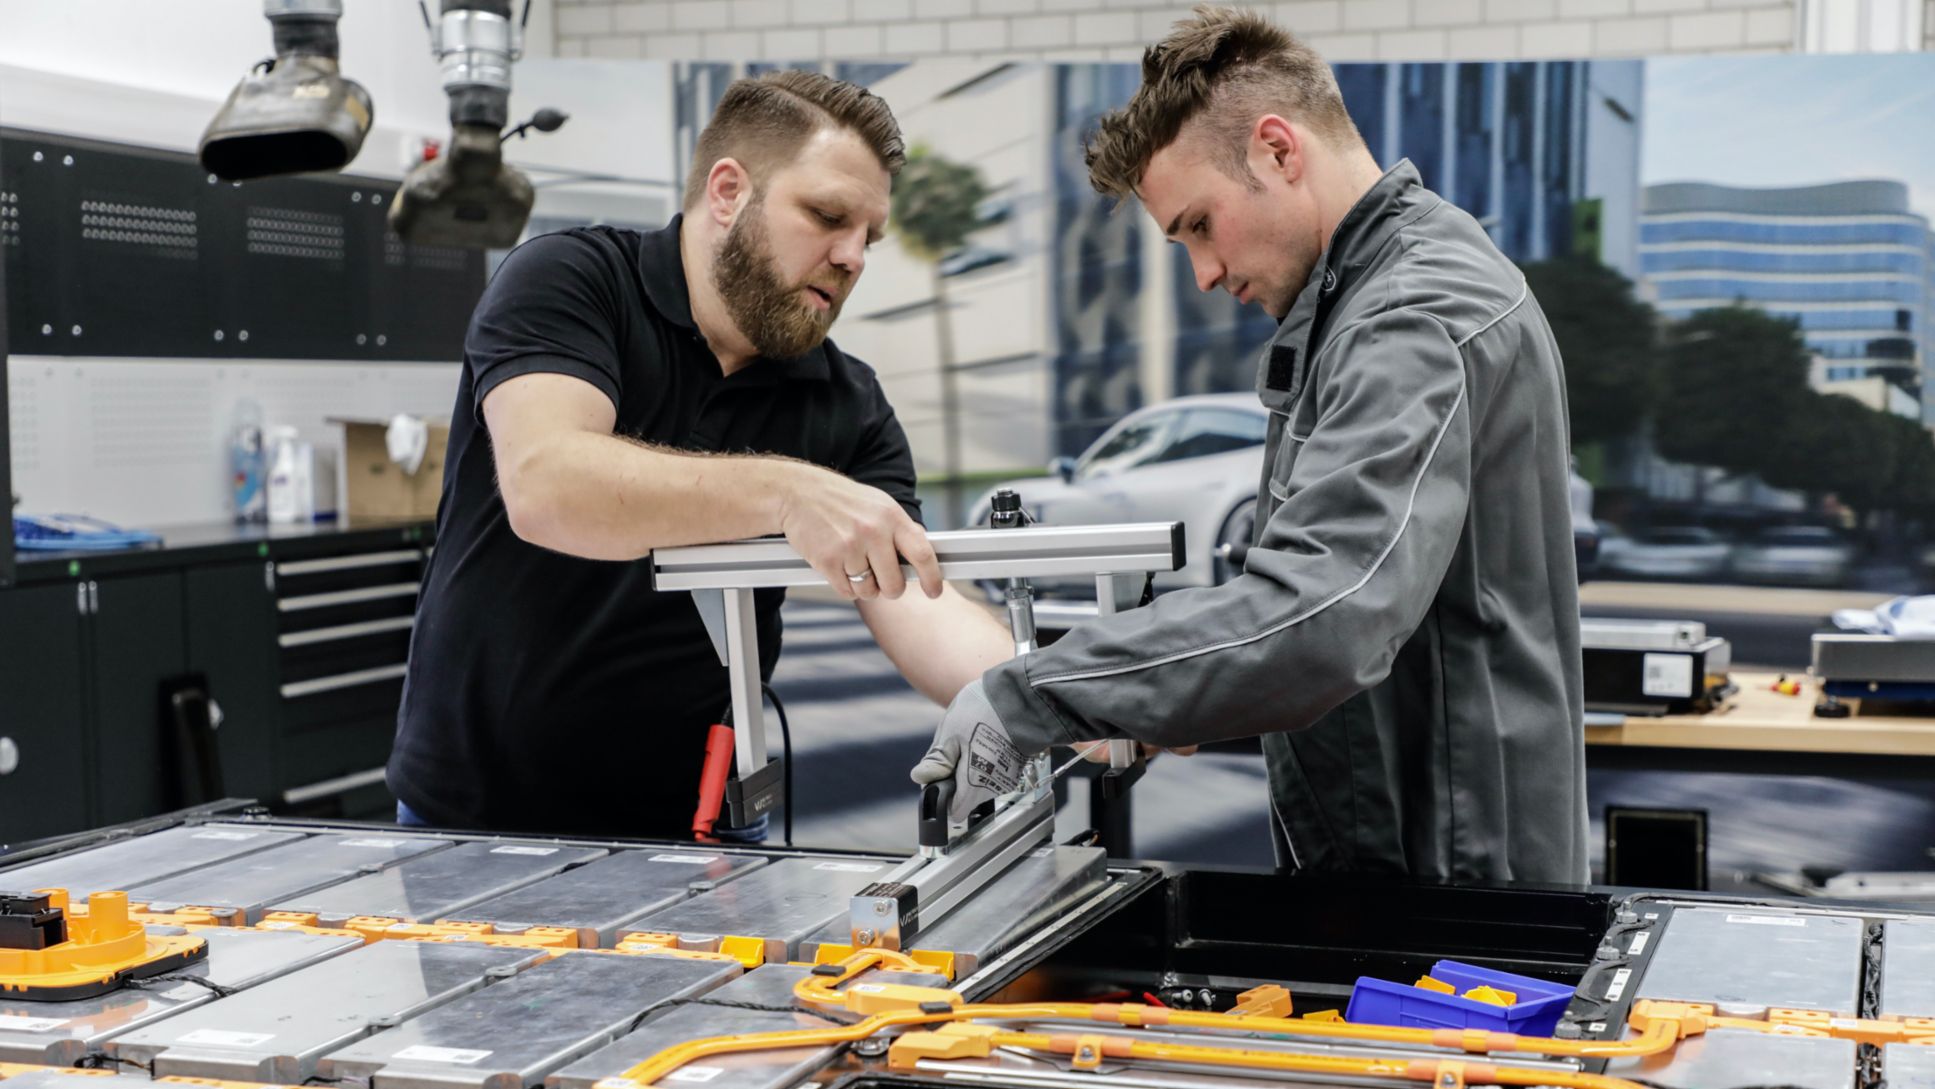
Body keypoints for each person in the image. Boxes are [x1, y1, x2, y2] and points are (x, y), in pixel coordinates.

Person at [913, 6, 1588, 884]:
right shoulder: (1364, 298)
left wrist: (1036, 692)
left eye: (1199, 224)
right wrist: (1168, 687)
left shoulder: (1411, 317)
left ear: (1277, 148)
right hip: (1411, 870)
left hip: (1455, 902)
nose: (1202, 273)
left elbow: (1321, 615)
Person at [390, 69, 1013, 838]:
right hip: (475, 817)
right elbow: (546, 483)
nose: (852, 256)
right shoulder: (570, 283)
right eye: (826, 215)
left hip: (703, 824)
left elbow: (912, 595)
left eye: (868, 237)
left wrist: (1052, 694)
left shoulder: (845, 400)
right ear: (727, 191)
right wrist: (786, 494)